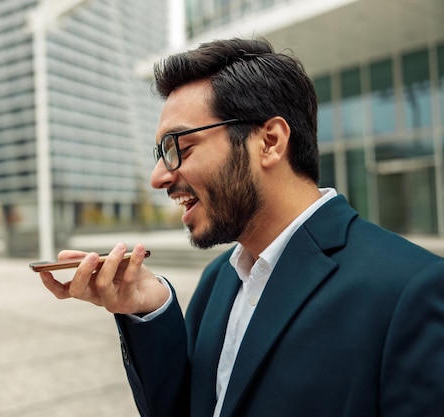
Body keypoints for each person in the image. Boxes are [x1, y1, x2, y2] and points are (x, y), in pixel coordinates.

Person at [38, 37, 444, 417]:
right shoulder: (220, 279)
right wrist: (148, 308)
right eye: (161, 153)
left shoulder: (411, 290)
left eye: (179, 147)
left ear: (269, 141)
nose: (158, 176)